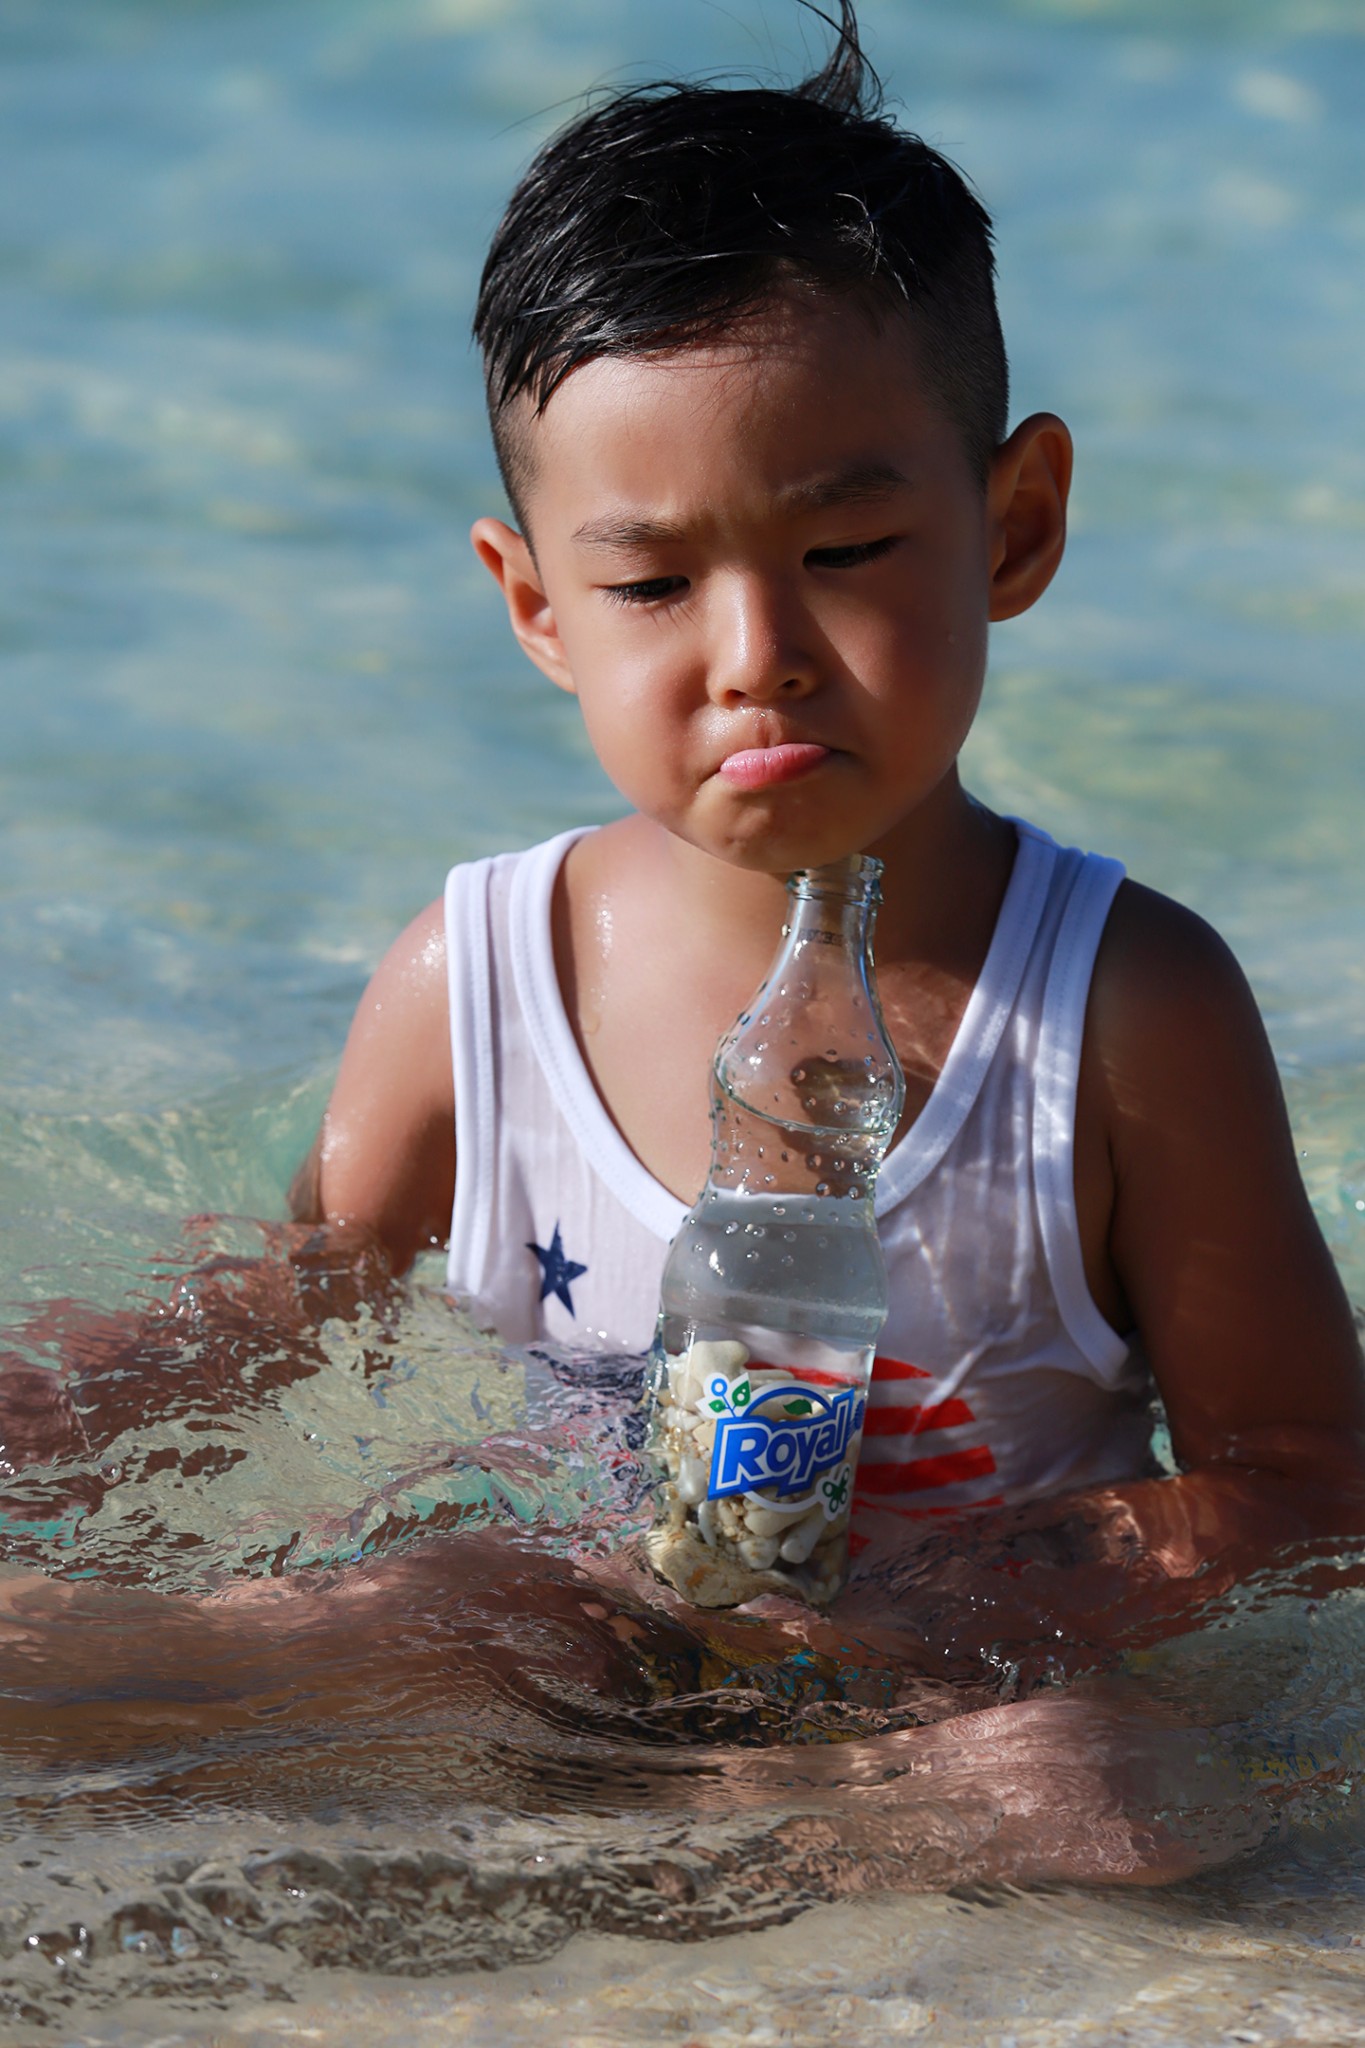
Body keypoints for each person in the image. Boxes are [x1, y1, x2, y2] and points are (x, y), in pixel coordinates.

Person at [290, 2, 1364, 1573]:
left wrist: (947, 1611)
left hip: (950, 1712)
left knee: (1048, 1779)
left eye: (844, 554)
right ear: (536, 610)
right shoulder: (478, 984)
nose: (757, 656)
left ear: (1013, 529)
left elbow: (1308, 1482)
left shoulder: (1122, 1014)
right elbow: (277, 1338)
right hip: (567, 1661)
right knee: (376, 1625)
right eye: (651, 583)